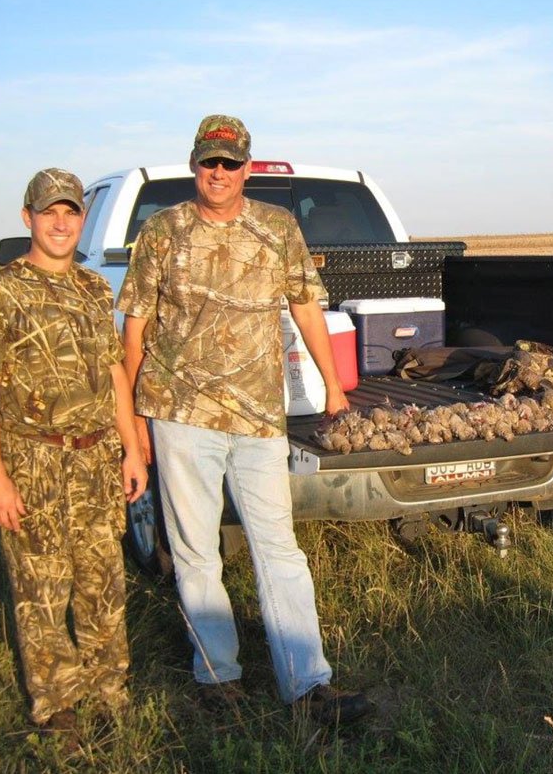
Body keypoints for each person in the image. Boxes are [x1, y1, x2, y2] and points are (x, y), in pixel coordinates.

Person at [117, 115, 372, 723]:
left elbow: (307, 308)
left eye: (230, 163)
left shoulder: (277, 227)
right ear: (195, 165)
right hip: (180, 414)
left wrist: (334, 387)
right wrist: (129, 424)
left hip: (260, 417)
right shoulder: (163, 230)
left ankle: (308, 684)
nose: (219, 173)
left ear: (247, 168)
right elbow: (135, 329)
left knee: (278, 548)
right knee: (197, 550)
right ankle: (218, 677)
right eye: (209, 162)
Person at [0, 168, 148, 737]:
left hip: (96, 461)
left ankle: (108, 688)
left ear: (82, 219)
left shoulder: (95, 289)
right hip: (33, 460)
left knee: (103, 581)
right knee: (41, 590)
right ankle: (57, 704)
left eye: (70, 211)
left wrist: (132, 449)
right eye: (50, 213)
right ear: (28, 219)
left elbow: (115, 371)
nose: (61, 222)